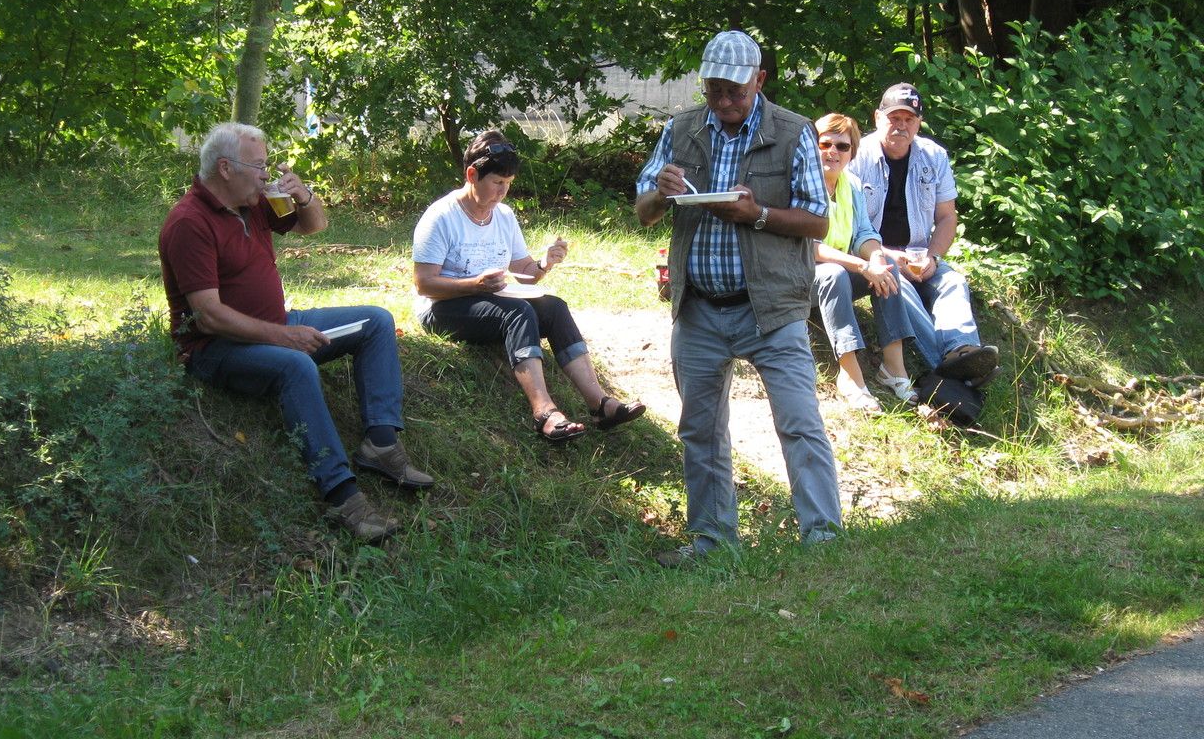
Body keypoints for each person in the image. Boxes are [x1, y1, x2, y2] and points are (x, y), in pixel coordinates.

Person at [158, 122, 433, 542]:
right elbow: (208, 316)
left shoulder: (253, 202)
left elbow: (314, 226)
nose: (268, 174)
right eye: (261, 165)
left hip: (275, 324)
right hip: (216, 348)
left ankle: (380, 443)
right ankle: (343, 497)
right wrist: (285, 337)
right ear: (227, 168)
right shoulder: (189, 223)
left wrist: (304, 195)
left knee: (375, 320)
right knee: (295, 367)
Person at [635, 30, 842, 566]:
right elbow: (643, 211)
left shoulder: (794, 132)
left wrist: (760, 215)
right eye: (713, 91)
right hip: (699, 307)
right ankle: (712, 544)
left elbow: (818, 219)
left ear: (759, 81)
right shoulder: (679, 130)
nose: (724, 102)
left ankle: (823, 540)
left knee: (799, 423)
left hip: (772, 309)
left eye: (735, 92)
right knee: (700, 431)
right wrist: (661, 189)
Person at [412, 130, 645, 442]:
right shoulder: (441, 217)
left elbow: (524, 271)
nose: (504, 191)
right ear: (472, 174)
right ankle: (544, 412)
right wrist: (475, 284)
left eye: (508, 183)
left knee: (554, 307)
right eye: (497, 182)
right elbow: (425, 284)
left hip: (490, 300)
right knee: (518, 312)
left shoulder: (504, 216)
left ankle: (599, 404)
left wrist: (545, 263)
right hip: (441, 308)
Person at [846, 83, 999, 384]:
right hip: (872, 254)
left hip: (919, 254)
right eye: (894, 118)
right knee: (894, 281)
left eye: (909, 119)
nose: (901, 126)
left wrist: (934, 256)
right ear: (878, 118)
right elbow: (849, 227)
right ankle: (951, 368)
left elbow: (947, 217)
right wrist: (889, 256)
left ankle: (961, 349)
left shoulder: (934, 156)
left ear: (918, 122)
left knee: (953, 281)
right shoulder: (856, 156)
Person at [812, 113, 923, 412]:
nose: (832, 151)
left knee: (886, 262)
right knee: (833, 273)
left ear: (852, 153)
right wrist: (861, 266)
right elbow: (806, 246)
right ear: (813, 145)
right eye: (824, 143)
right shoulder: (800, 182)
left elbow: (864, 232)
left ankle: (893, 368)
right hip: (797, 277)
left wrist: (874, 256)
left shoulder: (852, 184)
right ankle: (849, 373)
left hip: (839, 272)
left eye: (842, 146)